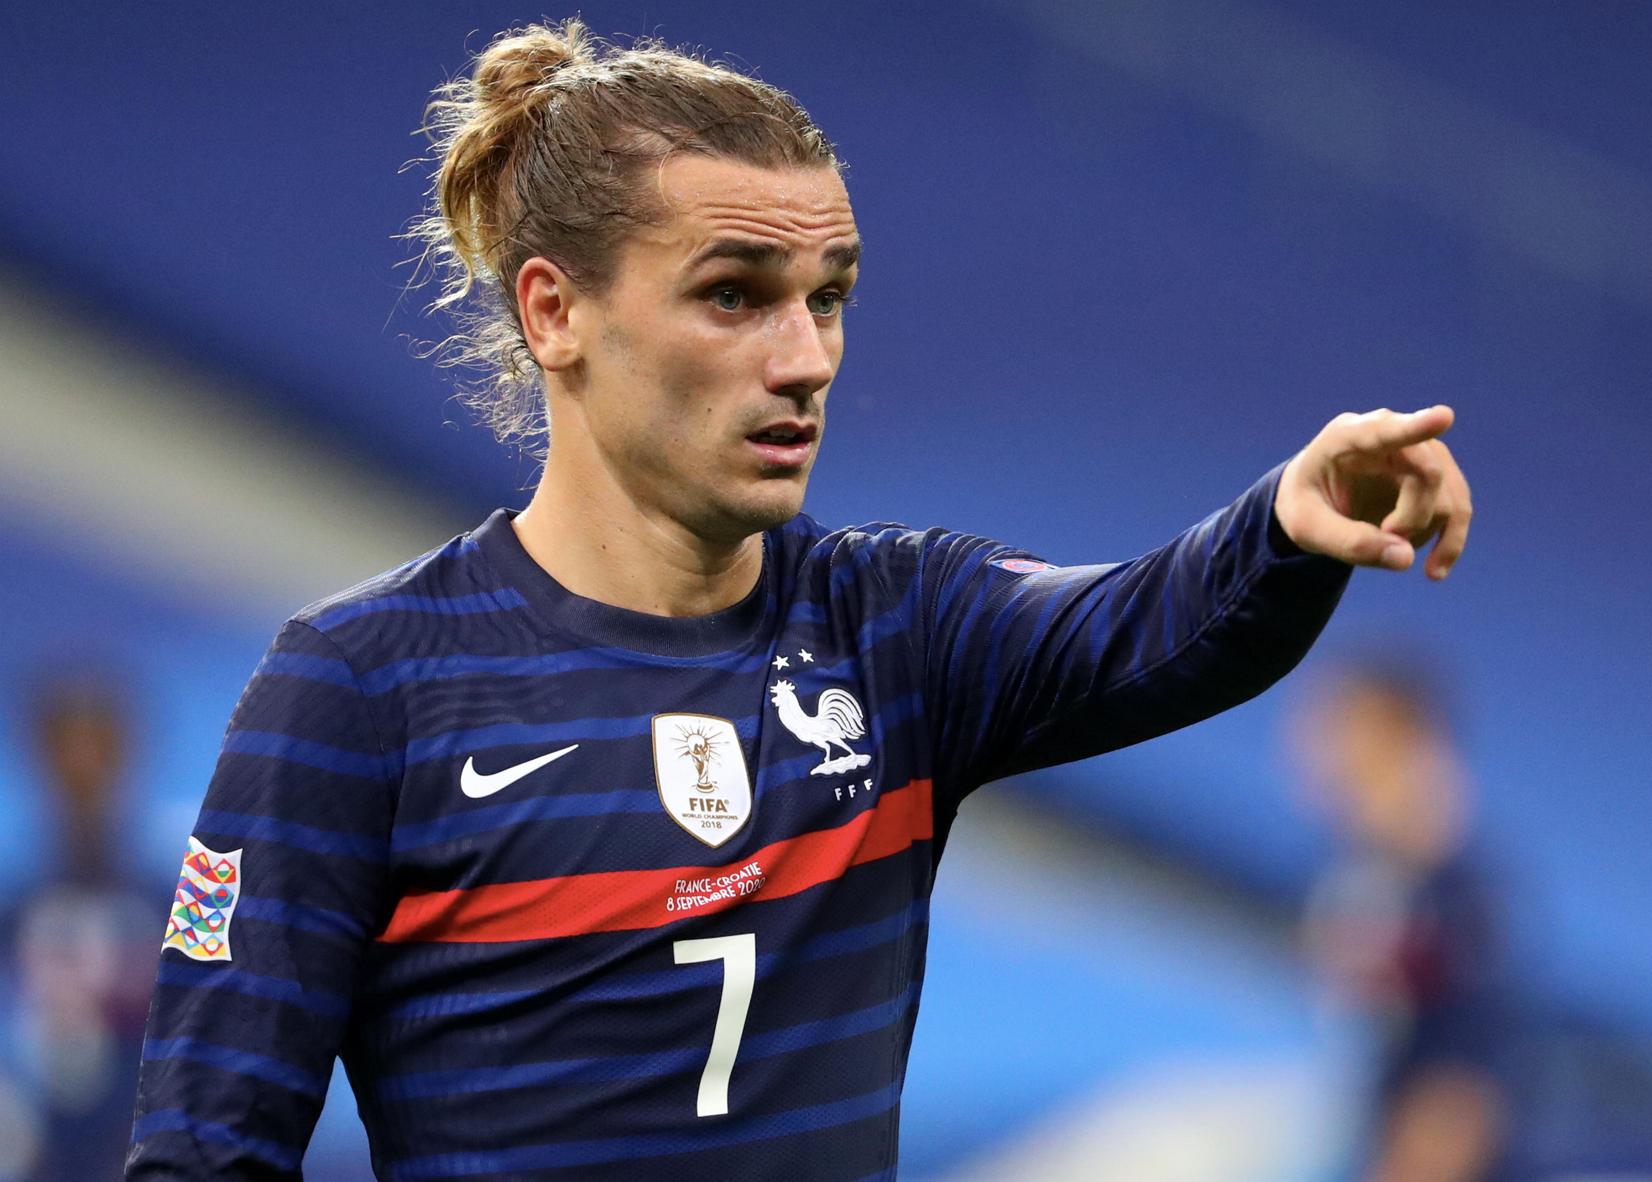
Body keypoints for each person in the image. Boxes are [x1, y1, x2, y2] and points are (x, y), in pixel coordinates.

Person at [125, 19, 1473, 1181]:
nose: (804, 356)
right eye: (734, 295)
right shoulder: (360, 688)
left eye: (826, 297)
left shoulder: (892, 625)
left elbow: (1148, 625)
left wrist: (1286, 526)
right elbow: (205, 1147)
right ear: (554, 313)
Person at [1293, 661, 1510, 1182]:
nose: (1311, 754)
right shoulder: (1357, 869)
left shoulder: (1452, 896)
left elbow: (1460, 1100)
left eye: (1335, 732)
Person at [6, 669, 157, 1180]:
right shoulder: (19, 905)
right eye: (67, 748)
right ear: (42, 758)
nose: (83, 768)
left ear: (125, 755)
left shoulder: (173, 900)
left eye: (99, 747)